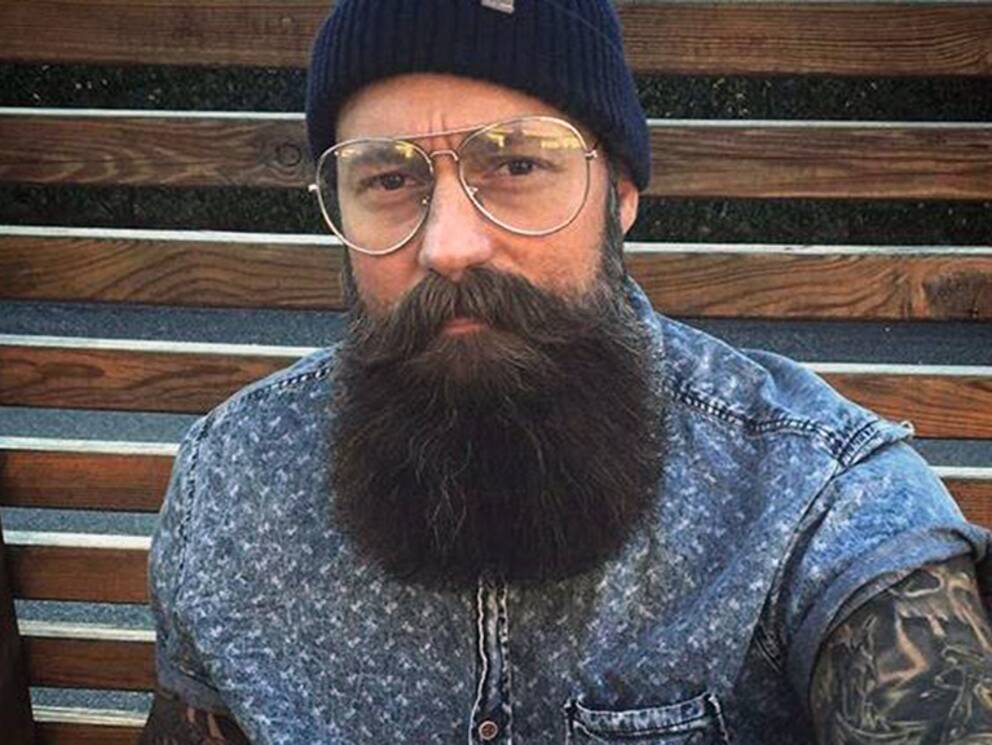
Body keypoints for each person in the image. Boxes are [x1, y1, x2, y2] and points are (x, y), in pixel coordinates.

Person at [138, 1, 992, 743]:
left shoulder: (814, 503)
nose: (448, 245)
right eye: (389, 178)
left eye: (516, 164)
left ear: (619, 191)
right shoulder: (233, 484)